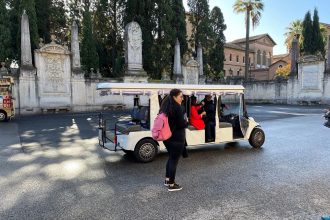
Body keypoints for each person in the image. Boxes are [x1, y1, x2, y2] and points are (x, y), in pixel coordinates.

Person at [159, 89, 188, 191]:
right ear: (175, 97)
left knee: (171, 158)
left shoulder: (165, 107)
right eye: (181, 96)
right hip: (176, 138)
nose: (182, 98)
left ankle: (167, 180)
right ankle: (171, 184)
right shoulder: (177, 108)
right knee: (174, 160)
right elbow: (181, 124)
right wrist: (186, 122)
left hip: (167, 138)